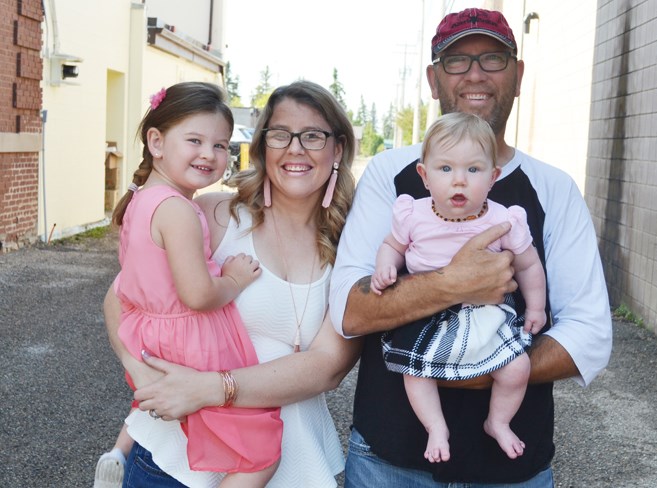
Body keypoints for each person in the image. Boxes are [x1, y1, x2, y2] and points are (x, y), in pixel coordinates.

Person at [329, 7, 612, 486]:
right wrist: (451, 284)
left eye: (494, 59)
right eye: (455, 61)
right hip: (389, 461)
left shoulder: (551, 189)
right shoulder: (392, 178)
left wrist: (478, 368)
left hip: (510, 471)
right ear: (433, 80)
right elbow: (348, 310)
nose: (475, 74)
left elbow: (589, 334)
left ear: (518, 76)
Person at [103, 80, 362, 487]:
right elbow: (121, 297)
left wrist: (211, 388)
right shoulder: (212, 215)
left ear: (338, 149)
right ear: (262, 148)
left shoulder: (353, 244)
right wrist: (142, 372)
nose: (296, 149)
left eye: (313, 135)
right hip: (176, 463)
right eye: (280, 134)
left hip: (295, 462)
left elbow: (329, 366)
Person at [105, 81, 285, 488]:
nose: (210, 154)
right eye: (195, 140)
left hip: (147, 336)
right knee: (262, 449)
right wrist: (233, 280)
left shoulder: (143, 199)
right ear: (156, 141)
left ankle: (120, 453)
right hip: (187, 345)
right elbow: (199, 295)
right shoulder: (177, 210)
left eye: (221, 145)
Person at [371, 112, 547, 463]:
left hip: (485, 312)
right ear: (424, 175)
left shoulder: (504, 219)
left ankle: (498, 421)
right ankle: (436, 426)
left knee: (516, 369)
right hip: (427, 308)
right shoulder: (413, 215)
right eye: (446, 169)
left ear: (493, 176)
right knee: (416, 372)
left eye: (473, 170)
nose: (459, 182)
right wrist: (385, 267)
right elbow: (392, 246)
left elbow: (528, 263)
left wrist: (537, 306)